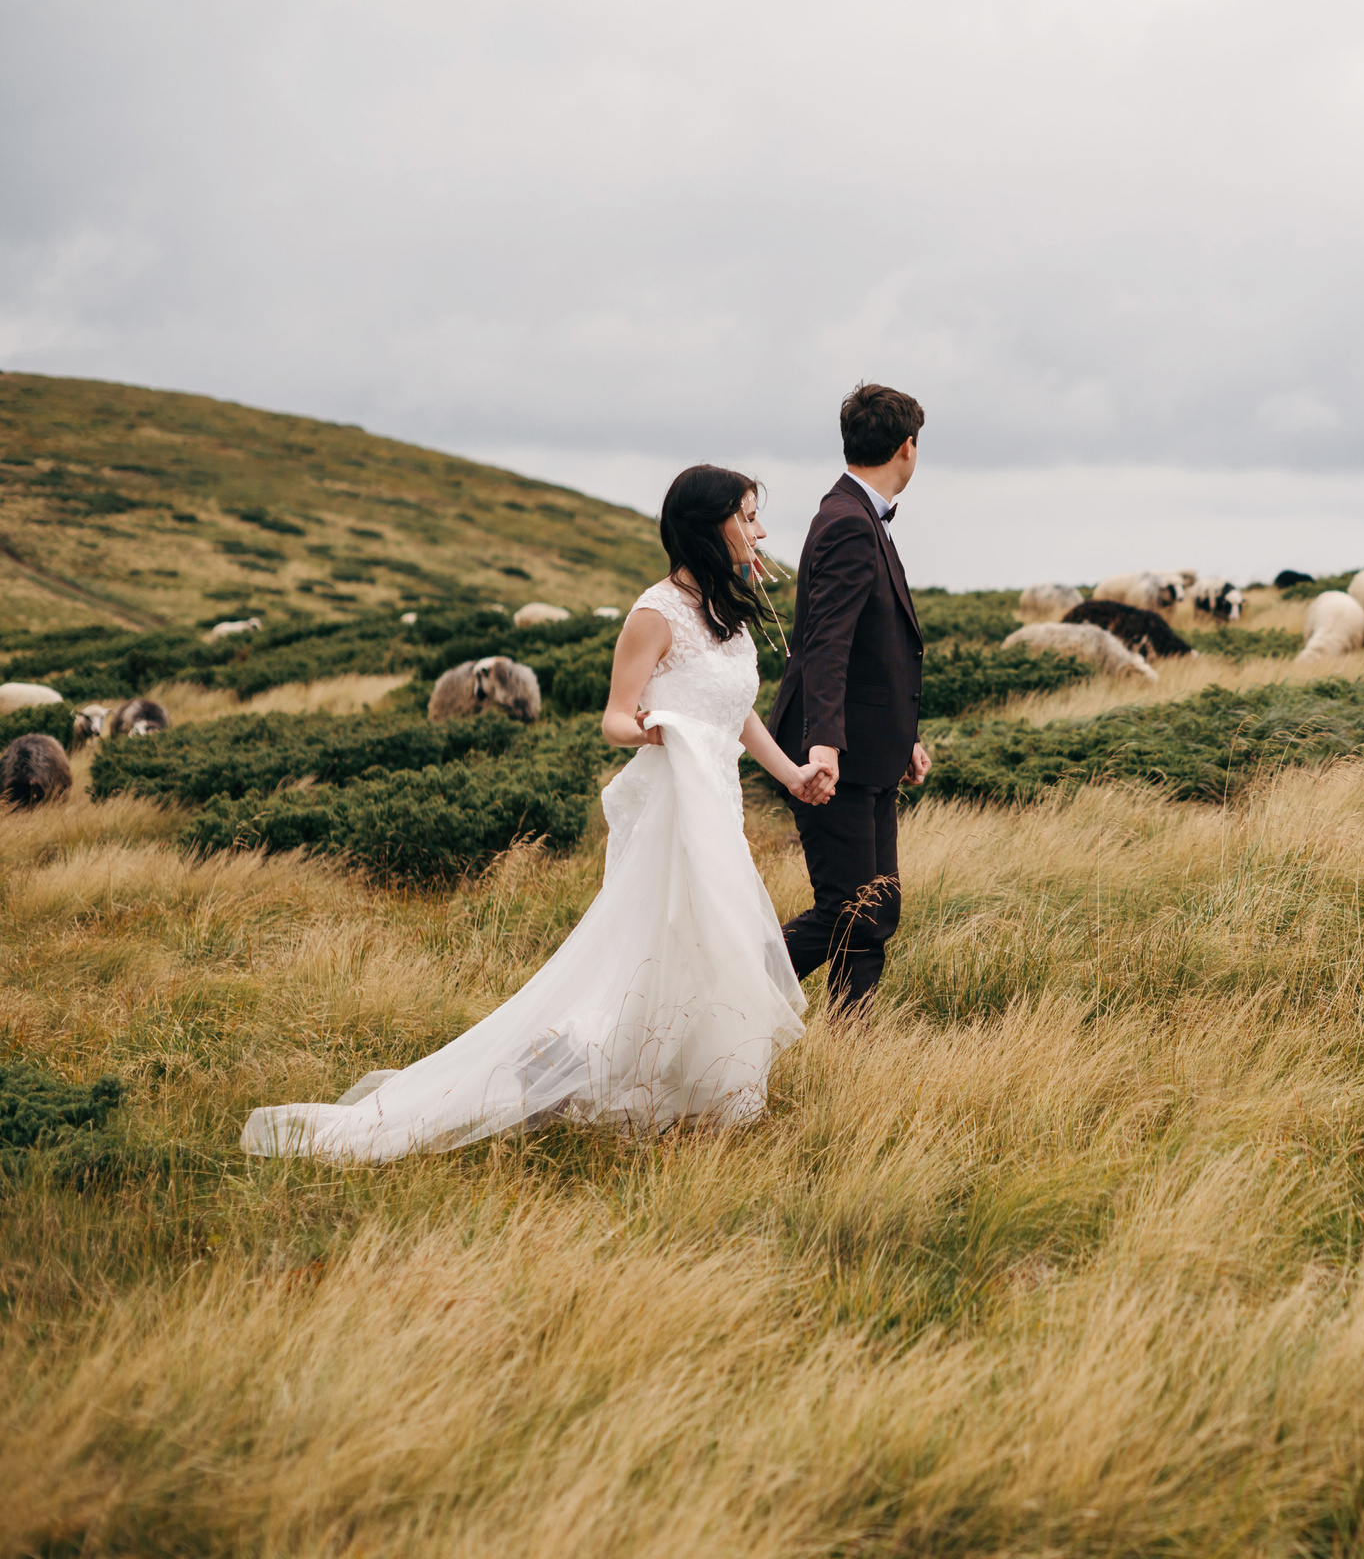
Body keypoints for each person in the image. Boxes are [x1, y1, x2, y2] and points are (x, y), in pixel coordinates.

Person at [240, 467, 827, 1161]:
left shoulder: (724, 615)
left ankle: (694, 1092)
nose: (760, 532)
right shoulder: (654, 614)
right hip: (676, 811)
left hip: (716, 808)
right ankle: (557, 1071)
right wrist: (653, 728)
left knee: (708, 947)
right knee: (661, 945)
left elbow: (732, 712)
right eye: (749, 516)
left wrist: (791, 776)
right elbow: (614, 716)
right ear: (711, 525)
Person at [767, 381, 931, 1017]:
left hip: (870, 752)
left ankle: (850, 1051)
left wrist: (903, 735)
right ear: (906, 447)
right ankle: (722, 984)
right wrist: (824, 743)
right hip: (833, 756)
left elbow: (870, 649)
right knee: (851, 910)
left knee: (875, 907)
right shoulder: (847, 523)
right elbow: (827, 645)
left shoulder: (857, 516)